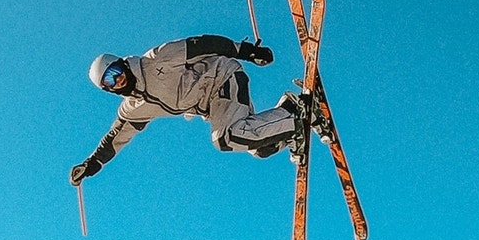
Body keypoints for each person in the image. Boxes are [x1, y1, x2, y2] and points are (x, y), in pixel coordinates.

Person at [70, 35, 305, 184]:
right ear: (108, 90)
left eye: (115, 71)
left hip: (221, 77)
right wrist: (92, 164)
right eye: (110, 81)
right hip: (213, 105)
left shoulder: (155, 60)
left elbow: (202, 45)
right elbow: (115, 138)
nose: (118, 79)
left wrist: (245, 51)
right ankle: (289, 122)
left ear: (121, 62)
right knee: (259, 147)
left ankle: (296, 115)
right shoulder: (133, 109)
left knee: (226, 139)